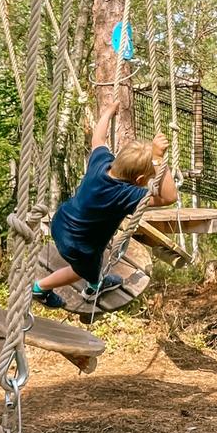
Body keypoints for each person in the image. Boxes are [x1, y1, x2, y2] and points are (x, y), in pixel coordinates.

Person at [31, 98, 177, 309]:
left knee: (94, 259)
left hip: (61, 222)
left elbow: (98, 138)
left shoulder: (101, 163)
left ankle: (94, 281)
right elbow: (169, 197)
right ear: (139, 180)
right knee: (81, 271)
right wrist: (158, 159)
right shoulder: (126, 194)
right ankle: (47, 288)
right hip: (79, 245)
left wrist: (108, 112)